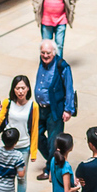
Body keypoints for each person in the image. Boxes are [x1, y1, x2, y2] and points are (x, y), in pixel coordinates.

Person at [0, 75, 40, 192]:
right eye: (17, 88)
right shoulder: (8, 103)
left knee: (21, 177)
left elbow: (34, 129)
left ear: (28, 89)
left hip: (24, 146)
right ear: (13, 89)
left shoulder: (33, 106)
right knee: (5, 176)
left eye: (23, 88)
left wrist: (33, 152)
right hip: (7, 146)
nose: (20, 91)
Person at [35, 39, 76, 181]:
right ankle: (56, 160)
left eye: (48, 53)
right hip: (40, 108)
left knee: (53, 140)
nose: (45, 56)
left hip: (55, 109)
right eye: (42, 53)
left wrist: (68, 109)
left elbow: (69, 88)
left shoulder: (62, 66)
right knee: (35, 135)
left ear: (54, 52)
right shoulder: (42, 63)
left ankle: (49, 168)